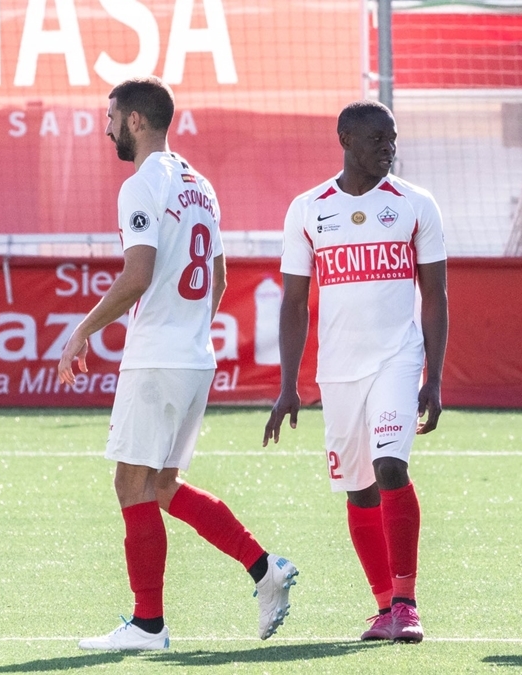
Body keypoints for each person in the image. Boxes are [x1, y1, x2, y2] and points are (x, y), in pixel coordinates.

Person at [59, 76, 298, 651]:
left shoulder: (142, 184)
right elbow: (216, 279)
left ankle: (147, 626)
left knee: (130, 482)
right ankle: (266, 571)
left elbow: (137, 275)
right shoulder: (201, 184)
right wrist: (189, 329)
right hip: (194, 356)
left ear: (136, 121)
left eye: (112, 116)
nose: (107, 126)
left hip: (159, 358)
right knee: (162, 484)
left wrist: (82, 331)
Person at [263, 100, 448, 643]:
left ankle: (408, 604)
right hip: (338, 371)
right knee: (359, 490)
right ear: (345, 138)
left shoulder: (416, 204)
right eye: (377, 139)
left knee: (391, 465)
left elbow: (434, 296)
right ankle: (384, 605)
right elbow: (294, 303)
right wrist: (287, 386)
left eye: (393, 138)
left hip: (399, 357)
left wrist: (433, 377)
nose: (389, 148)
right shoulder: (307, 208)